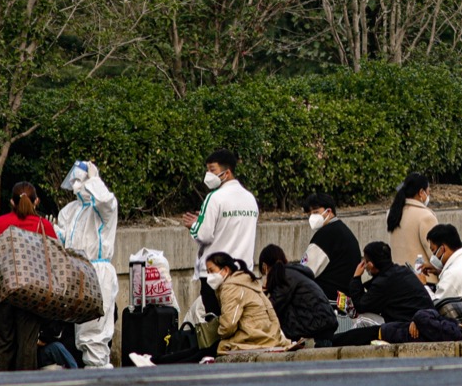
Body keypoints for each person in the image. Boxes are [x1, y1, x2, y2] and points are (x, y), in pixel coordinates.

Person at [131, 252, 296, 366]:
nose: (209, 276)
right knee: (202, 349)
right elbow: (272, 314)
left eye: (212, 271)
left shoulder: (231, 287)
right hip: (262, 334)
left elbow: (229, 324)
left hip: (252, 337)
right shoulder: (249, 282)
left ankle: (156, 361)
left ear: (225, 270)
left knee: (205, 349)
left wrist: (219, 333)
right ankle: (155, 360)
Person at [0, 181, 59, 371]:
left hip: (1, 288)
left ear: (11, 202)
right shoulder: (43, 225)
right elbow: (54, 258)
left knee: (3, 340)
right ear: (37, 201)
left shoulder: (0, 223)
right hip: (31, 290)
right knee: (27, 342)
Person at [56, 160, 119, 368]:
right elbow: (67, 239)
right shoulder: (70, 210)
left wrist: (94, 179)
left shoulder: (102, 208)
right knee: (81, 333)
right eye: (73, 179)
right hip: (76, 270)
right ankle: (89, 375)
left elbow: (105, 200)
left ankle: (100, 375)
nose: (75, 184)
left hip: (97, 271)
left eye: (79, 179)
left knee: (95, 332)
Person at [182, 149, 259, 316]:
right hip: (243, 273)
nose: (208, 175)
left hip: (215, 274)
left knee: (215, 322)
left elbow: (204, 234)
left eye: (212, 170)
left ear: (227, 172)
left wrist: (194, 225)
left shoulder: (214, 197)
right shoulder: (250, 198)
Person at [258, 244, 338, 346]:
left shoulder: (285, 276)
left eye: (263, 273)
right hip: (322, 327)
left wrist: (263, 293)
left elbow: (270, 309)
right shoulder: (293, 273)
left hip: (316, 331)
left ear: (265, 267)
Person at [300, 193, 362, 302]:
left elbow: (305, 271)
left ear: (328, 211)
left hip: (327, 301)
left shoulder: (326, 235)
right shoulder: (343, 231)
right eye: (309, 214)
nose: (311, 218)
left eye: (315, 212)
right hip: (345, 301)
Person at [386, 172, 438, 269]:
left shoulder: (393, 213)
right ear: (421, 192)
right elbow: (435, 254)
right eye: (428, 191)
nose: (429, 194)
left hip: (397, 276)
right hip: (421, 278)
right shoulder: (426, 216)